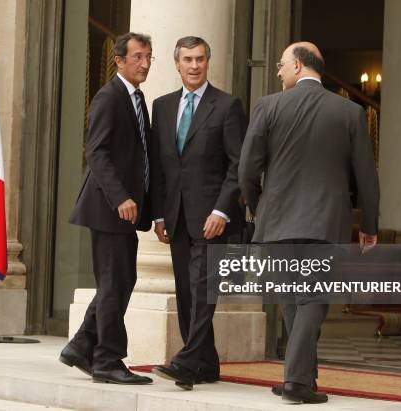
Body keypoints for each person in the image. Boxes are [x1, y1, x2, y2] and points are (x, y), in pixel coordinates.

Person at [239, 42, 380, 404]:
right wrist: (370, 225)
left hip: (277, 224)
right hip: (325, 223)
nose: (278, 71)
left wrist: (260, 208)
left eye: (281, 64)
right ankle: (298, 382)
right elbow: (366, 176)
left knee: (294, 300)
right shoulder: (350, 112)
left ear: (299, 66)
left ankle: (302, 376)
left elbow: (246, 171)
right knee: (312, 300)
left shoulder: (268, 106)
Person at [150, 36, 246, 390]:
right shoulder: (162, 107)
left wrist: (223, 208)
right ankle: (207, 363)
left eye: (200, 59)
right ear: (177, 64)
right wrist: (159, 215)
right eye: (188, 59)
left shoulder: (227, 106)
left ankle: (188, 361)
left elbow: (239, 165)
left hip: (212, 220)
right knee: (187, 292)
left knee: (203, 288)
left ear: (209, 62)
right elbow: (160, 169)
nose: (194, 65)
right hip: (175, 218)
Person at [59, 32, 154, 385]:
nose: (144, 63)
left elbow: (141, 157)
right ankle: (108, 360)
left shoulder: (136, 98)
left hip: (126, 211)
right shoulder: (109, 97)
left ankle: (82, 344)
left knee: (121, 280)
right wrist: (121, 197)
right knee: (115, 284)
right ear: (119, 60)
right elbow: (96, 152)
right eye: (137, 57)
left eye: (148, 57)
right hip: (109, 208)